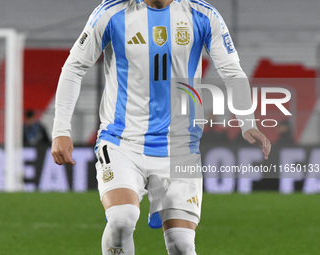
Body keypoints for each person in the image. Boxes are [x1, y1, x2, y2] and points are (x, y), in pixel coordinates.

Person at [51, 0, 271, 254]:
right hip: (122, 142)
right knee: (121, 221)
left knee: (181, 244)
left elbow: (233, 72)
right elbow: (73, 67)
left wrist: (247, 122)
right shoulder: (112, 12)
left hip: (180, 147)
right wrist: (60, 130)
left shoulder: (203, 15)